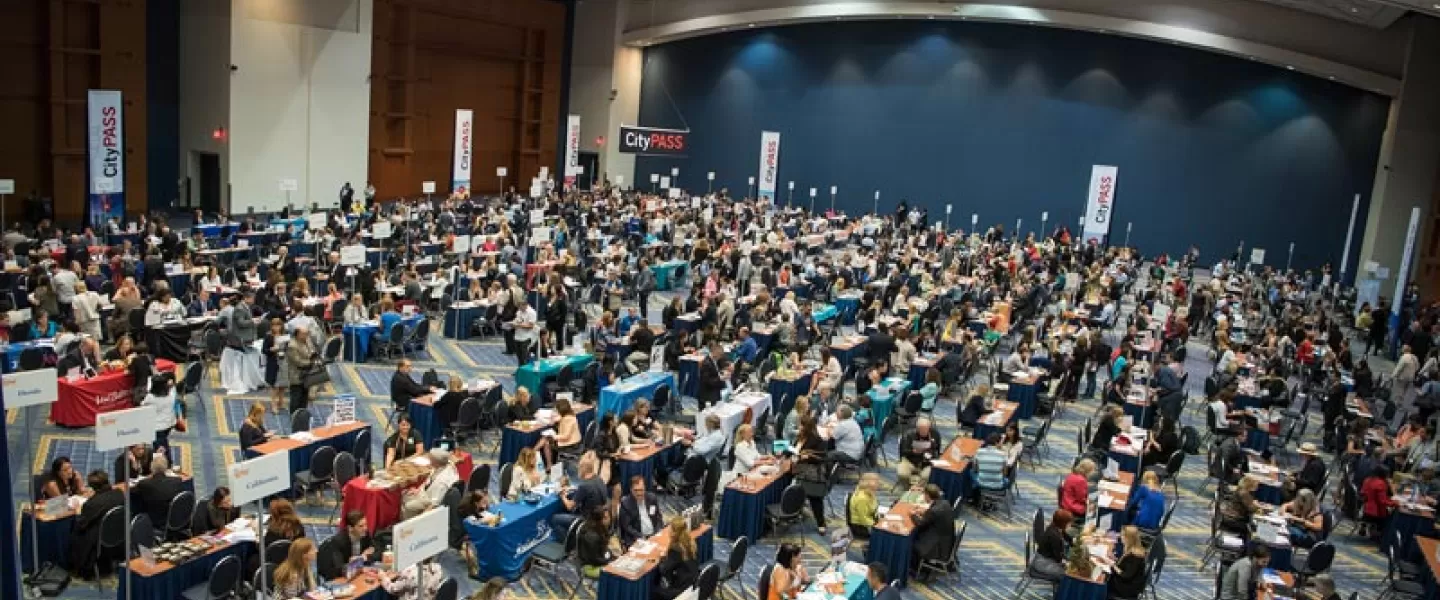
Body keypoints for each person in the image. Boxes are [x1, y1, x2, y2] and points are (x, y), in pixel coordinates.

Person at [67, 470, 126, 579]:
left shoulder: (91, 504)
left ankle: (75, 566)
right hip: (118, 536)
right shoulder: (119, 493)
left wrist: (77, 510)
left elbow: (81, 524)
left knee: (73, 530)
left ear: (92, 487)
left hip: (99, 541)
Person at [908, 484, 956, 581]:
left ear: (927, 495)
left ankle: (915, 570)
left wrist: (912, 515)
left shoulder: (934, 511)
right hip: (947, 541)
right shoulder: (945, 503)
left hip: (938, 547)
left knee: (912, 544)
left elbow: (920, 523)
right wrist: (925, 512)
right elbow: (933, 516)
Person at [131, 454, 186, 536]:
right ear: (166, 468)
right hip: (176, 520)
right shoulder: (177, 481)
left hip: (156, 522)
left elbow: (131, 493)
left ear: (151, 468)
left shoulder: (144, 484)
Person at [317, 511, 376, 580]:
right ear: (350, 528)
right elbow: (339, 569)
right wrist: (356, 563)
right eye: (361, 526)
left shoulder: (365, 534)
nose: (365, 528)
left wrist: (361, 558)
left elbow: (374, 552)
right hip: (338, 578)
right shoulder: (338, 542)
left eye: (366, 524)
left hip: (356, 573)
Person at [653, 517, 700, 600]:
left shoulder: (676, 548)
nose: (668, 530)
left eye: (669, 528)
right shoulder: (690, 541)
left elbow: (663, 569)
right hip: (693, 583)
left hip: (682, 590)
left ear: (674, 532)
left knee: (654, 590)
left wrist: (661, 559)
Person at [140, 374, 181, 461]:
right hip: (170, 423)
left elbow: (142, 405)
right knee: (162, 444)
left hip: (158, 427)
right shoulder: (171, 393)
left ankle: (165, 465)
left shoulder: (151, 397)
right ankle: (162, 463)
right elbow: (172, 386)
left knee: (161, 449)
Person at [619, 475, 664, 547]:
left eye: (641, 490)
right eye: (636, 490)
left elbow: (658, 517)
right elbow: (627, 526)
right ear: (631, 490)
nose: (639, 493)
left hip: (654, 534)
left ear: (645, 488)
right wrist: (642, 537)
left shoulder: (652, 498)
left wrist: (658, 531)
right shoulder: (625, 504)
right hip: (637, 537)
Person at [898, 418, 944, 488]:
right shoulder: (908, 435)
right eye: (921, 430)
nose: (924, 432)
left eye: (926, 429)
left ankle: (919, 490)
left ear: (929, 427)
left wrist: (931, 451)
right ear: (917, 428)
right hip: (910, 460)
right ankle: (908, 489)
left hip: (927, 463)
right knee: (902, 474)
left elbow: (937, 450)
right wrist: (913, 451)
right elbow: (904, 451)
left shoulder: (935, 434)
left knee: (926, 476)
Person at [577, 508, 621, 577]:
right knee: (617, 573)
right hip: (590, 566)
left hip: (600, 558)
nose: (609, 519)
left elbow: (603, 549)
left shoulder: (601, 528)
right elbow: (595, 559)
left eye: (609, 517)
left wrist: (611, 555)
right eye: (606, 518)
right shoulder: (592, 537)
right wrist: (610, 561)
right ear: (598, 520)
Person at [1109, 526, 1149, 600]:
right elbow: (1126, 565)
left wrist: (1113, 565)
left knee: (1105, 580)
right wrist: (1115, 559)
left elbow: (1126, 575)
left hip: (1126, 589)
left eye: (1123, 535)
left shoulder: (1135, 556)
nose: (1121, 537)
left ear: (1129, 538)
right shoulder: (1132, 549)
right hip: (1128, 584)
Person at [1032, 508, 1072, 580]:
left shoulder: (1055, 527)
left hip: (1046, 559)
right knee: (1068, 574)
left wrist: (1075, 542)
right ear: (1063, 523)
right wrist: (1068, 563)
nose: (1070, 525)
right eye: (1068, 523)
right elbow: (1058, 558)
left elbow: (1068, 538)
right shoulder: (1054, 536)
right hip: (1043, 563)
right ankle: (1062, 590)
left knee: (1070, 569)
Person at [262, 318, 288, 413]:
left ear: (281, 326)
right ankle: (273, 404)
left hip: (284, 362)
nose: (276, 327)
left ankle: (281, 402)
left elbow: (288, 348)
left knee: (283, 384)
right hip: (273, 363)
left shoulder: (285, 336)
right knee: (274, 386)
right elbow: (264, 350)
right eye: (274, 325)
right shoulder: (269, 337)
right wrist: (271, 350)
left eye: (278, 325)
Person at [848, 472, 881, 538]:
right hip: (860, 527)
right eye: (876, 482)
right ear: (868, 484)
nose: (879, 484)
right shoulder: (862, 498)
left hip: (869, 519)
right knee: (884, 534)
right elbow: (863, 519)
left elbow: (873, 507)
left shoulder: (869, 492)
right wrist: (878, 525)